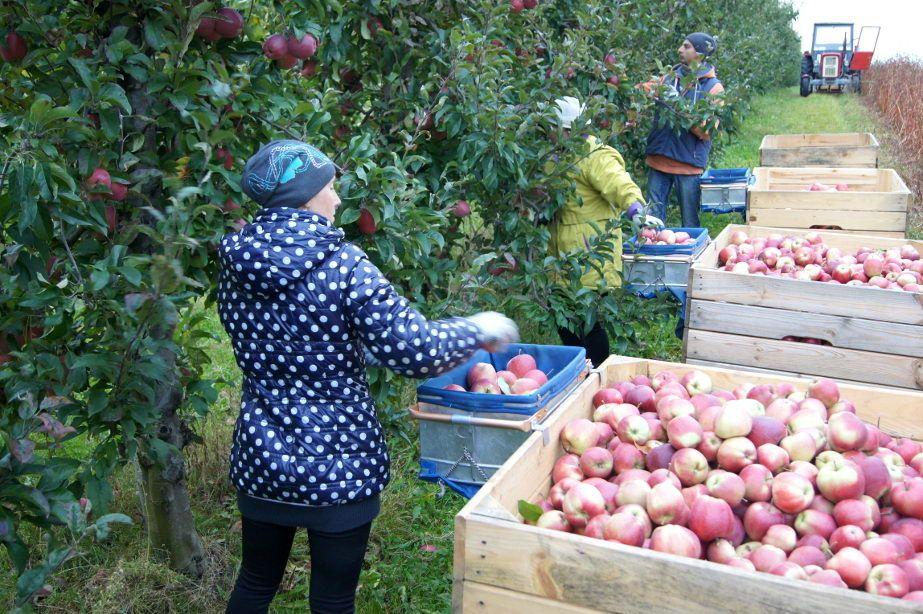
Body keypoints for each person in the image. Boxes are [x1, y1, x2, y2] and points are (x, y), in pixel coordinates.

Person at [217, 139, 519, 613]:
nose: (337, 200)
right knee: (333, 599)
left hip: (262, 457)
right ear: (306, 194)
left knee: (255, 582)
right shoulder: (343, 265)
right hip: (340, 464)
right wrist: (478, 330)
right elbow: (414, 350)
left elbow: (266, 340)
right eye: (331, 188)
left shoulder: (235, 263)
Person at [548, 97, 661, 367]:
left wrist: (637, 211)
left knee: (589, 326)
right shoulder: (553, 157)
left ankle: (599, 373)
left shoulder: (593, 155)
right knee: (565, 325)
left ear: (566, 128)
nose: (546, 133)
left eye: (550, 127)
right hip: (559, 259)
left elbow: (619, 183)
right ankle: (581, 374)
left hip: (591, 257)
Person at [644, 32, 725, 228]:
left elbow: (706, 133)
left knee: (689, 224)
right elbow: (641, 90)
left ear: (699, 54)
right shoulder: (670, 78)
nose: (680, 50)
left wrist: (677, 105)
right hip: (659, 160)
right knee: (652, 224)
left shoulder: (714, 89)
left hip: (688, 165)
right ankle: (654, 257)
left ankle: (694, 258)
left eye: (686, 46)